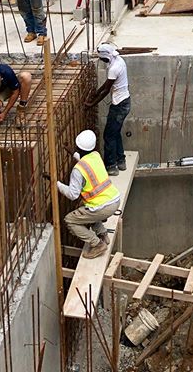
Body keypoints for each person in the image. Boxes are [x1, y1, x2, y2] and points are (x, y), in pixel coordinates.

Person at [57, 129, 121, 259]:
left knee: (70, 220)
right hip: (114, 199)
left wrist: (55, 183)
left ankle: (97, 244)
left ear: (78, 146)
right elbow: (84, 159)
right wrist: (71, 152)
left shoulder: (78, 170)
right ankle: (102, 233)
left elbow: (73, 194)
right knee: (85, 210)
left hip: (102, 207)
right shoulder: (96, 156)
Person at [85, 43, 131, 176]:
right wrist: (95, 92)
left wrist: (91, 104)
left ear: (107, 56)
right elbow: (107, 84)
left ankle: (111, 166)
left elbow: (106, 90)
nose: (101, 60)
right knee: (115, 132)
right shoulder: (118, 60)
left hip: (119, 105)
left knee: (109, 135)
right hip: (124, 101)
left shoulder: (114, 68)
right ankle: (120, 160)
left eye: (101, 58)